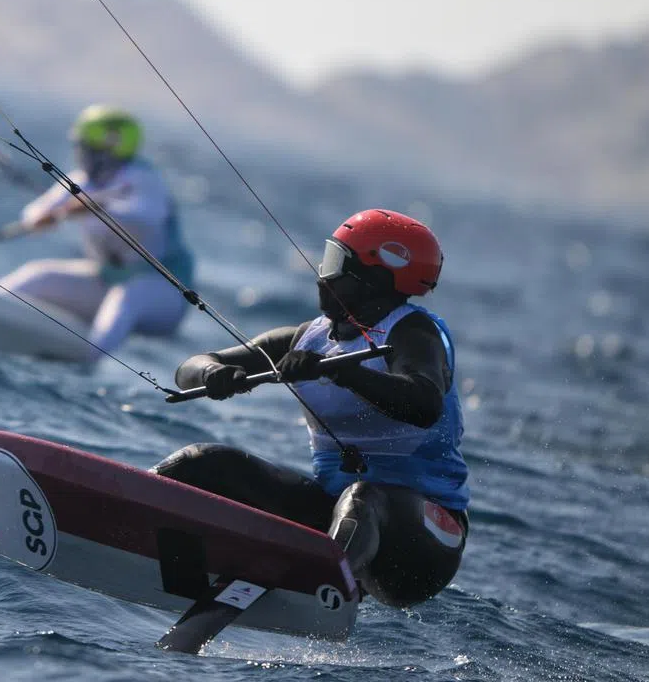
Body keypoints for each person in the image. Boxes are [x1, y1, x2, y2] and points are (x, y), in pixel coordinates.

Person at [157, 209, 469, 608]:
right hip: (338, 522)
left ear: (374, 278)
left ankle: (311, 591)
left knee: (363, 498)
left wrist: (346, 374)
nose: (323, 274)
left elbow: (423, 402)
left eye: (337, 263)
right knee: (203, 461)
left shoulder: (414, 335)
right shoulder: (309, 338)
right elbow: (190, 368)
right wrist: (216, 372)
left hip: (421, 544)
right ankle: (119, 526)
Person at [0, 105, 194, 361]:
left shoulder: (146, 179)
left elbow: (145, 217)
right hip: (108, 280)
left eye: (87, 148)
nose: (80, 154)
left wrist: (93, 207)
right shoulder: (82, 179)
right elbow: (37, 211)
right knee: (36, 275)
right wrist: (40, 219)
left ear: (110, 149)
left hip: (165, 296)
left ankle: (86, 361)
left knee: (128, 296)